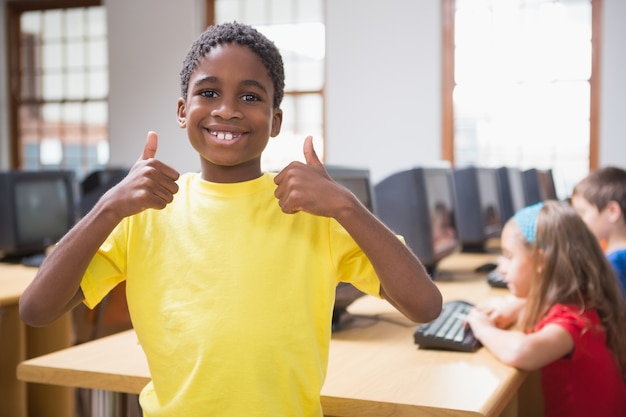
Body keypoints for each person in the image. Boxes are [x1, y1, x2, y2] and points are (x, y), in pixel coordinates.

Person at [18, 22, 442, 417]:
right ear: (183, 110)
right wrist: (109, 205)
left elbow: (425, 306)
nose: (228, 110)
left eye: (251, 97)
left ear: (275, 121)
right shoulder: (145, 212)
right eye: (208, 93)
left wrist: (346, 206)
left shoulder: (314, 213)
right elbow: (37, 309)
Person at [465, 201, 626, 417]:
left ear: (541, 260)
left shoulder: (575, 321)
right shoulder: (584, 302)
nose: (501, 268)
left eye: (509, 256)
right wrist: (516, 307)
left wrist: (482, 327)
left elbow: (522, 351)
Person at [571, 166, 626, 294]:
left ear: (612, 212)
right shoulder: (609, 254)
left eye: (582, 213)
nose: (577, 221)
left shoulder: (614, 265)